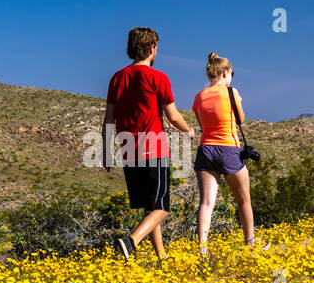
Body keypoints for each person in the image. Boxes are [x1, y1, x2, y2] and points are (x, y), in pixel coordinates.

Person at [102, 27, 194, 260]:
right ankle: (130, 241)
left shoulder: (117, 78)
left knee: (150, 208)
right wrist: (189, 130)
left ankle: (161, 256)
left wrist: (105, 151)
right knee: (162, 207)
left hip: (128, 150)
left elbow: (109, 119)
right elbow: (173, 117)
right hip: (153, 148)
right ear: (152, 48)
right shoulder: (158, 77)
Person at [192, 53, 256, 255]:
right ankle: (250, 243)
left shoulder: (199, 96)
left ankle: (202, 250)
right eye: (232, 73)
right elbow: (241, 119)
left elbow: (202, 124)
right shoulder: (230, 92)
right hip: (228, 148)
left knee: (206, 202)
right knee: (244, 200)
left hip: (206, 149)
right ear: (225, 72)